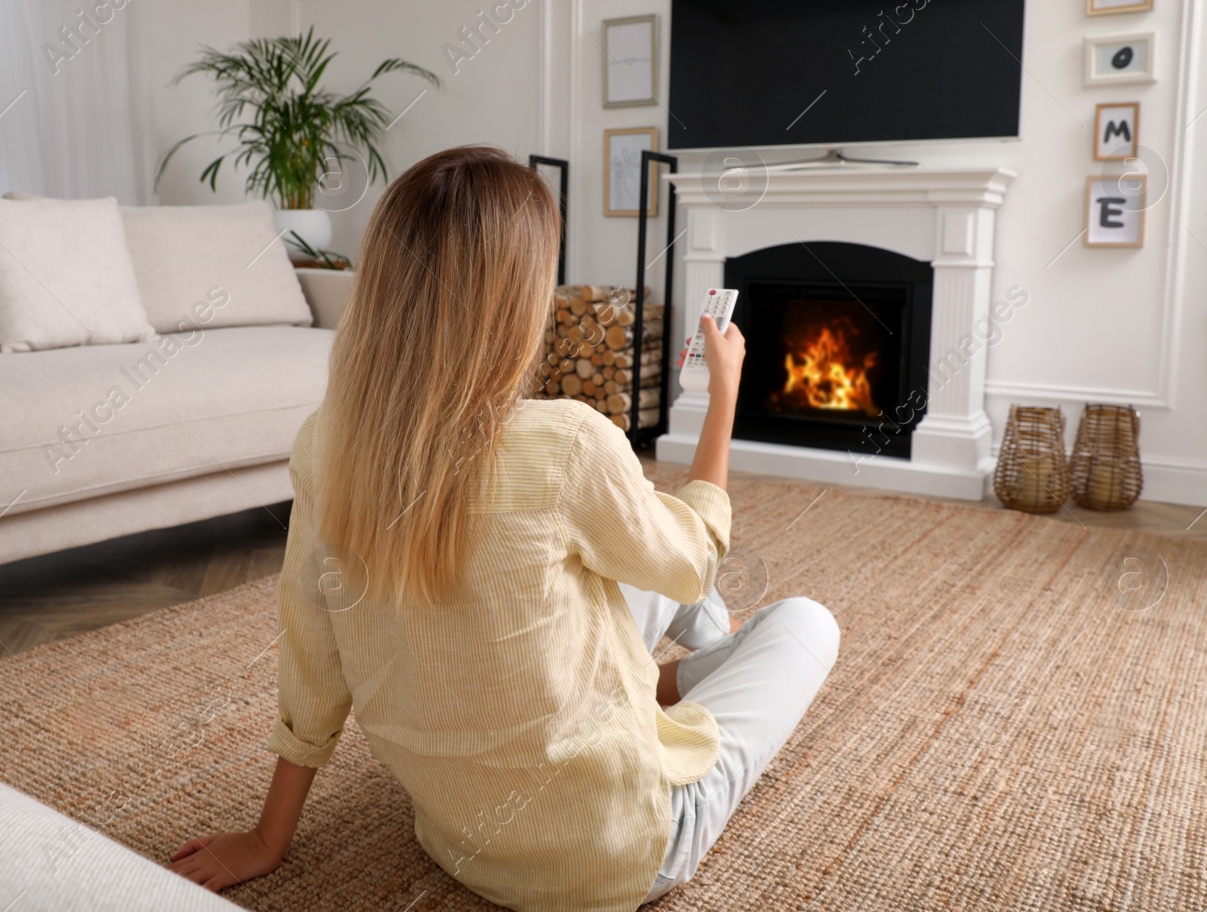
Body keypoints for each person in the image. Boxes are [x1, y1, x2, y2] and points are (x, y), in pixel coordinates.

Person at [167, 146, 839, 910]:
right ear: (516, 297)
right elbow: (695, 563)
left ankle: (655, 682)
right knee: (803, 623)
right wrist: (724, 394)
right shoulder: (569, 444)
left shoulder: (328, 444)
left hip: (457, 842)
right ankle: (665, 686)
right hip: (627, 849)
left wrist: (267, 838)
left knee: (650, 567)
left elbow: (312, 650)